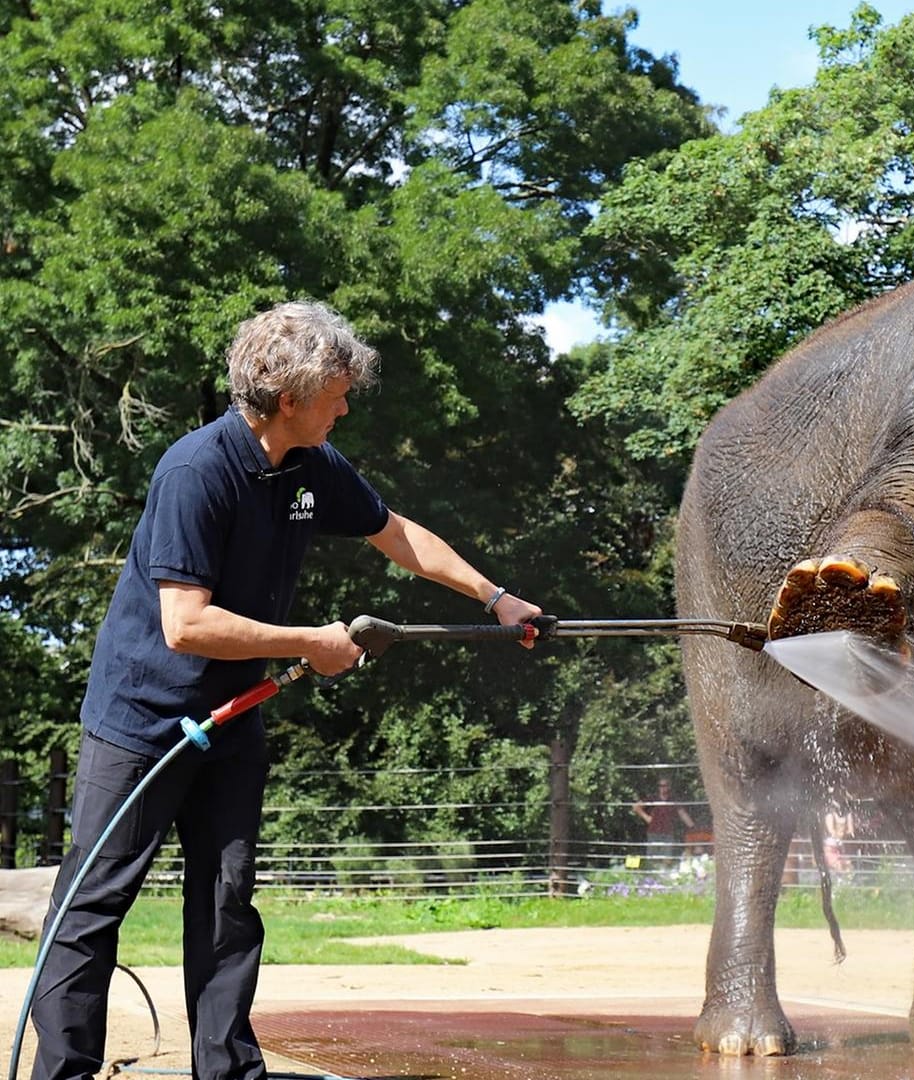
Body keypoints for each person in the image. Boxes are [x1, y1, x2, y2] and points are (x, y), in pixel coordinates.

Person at [30, 301, 542, 1080]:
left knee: (228, 902)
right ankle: (62, 1074)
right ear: (291, 395)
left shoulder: (312, 466)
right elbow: (185, 625)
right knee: (93, 906)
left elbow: (396, 532)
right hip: (140, 723)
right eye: (337, 391)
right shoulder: (196, 472)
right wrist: (313, 643)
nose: (347, 404)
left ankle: (229, 1072)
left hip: (233, 720)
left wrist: (494, 596)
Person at [634, 777, 696, 861]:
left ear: (669, 786)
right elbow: (636, 807)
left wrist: (693, 827)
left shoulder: (673, 800)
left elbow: (682, 814)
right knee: (652, 860)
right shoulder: (653, 798)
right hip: (653, 833)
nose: (662, 788)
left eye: (665, 785)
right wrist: (647, 818)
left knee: (667, 860)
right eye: (660, 786)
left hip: (668, 833)